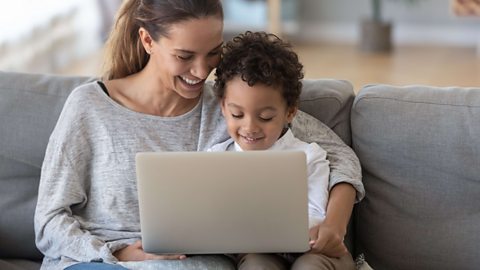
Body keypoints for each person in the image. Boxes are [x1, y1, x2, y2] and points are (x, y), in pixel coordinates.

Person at [34, 1, 364, 269]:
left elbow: (337, 154)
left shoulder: (231, 107)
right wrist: (115, 255)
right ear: (148, 41)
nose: (202, 71)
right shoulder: (89, 106)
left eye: (212, 54)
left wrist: (334, 225)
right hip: (100, 262)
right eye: (185, 56)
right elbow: (49, 222)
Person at [209, 31, 356, 269]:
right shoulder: (216, 159)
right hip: (261, 253)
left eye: (265, 117)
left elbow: (317, 216)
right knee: (256, 264)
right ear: (223, 107)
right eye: (237, 114)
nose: (250, 127)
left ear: (289, 112)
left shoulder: (309, 155)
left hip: (318, 251)